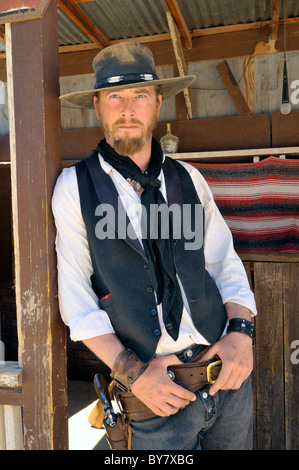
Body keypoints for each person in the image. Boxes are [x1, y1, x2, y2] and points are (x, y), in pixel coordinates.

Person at [53, 42, 257, 450]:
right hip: (151, 396)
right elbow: (77, 303)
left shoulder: (190, 180)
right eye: (115, 96)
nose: (127, 108)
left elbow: (224, 264)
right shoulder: (75, 188)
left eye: (140, 95)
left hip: (225, 378)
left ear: (158, 103)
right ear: (97, 105)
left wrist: (241, 333)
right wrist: (132, 372)